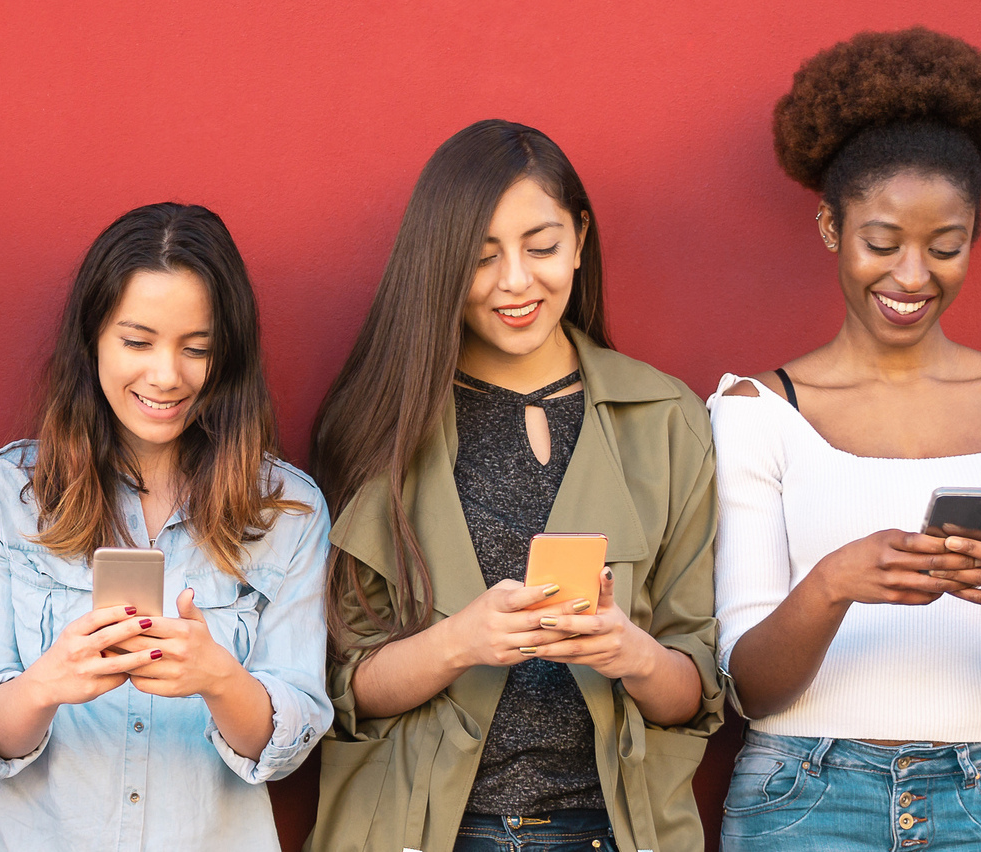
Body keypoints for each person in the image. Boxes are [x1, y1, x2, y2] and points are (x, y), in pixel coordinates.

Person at [305, 119, 721, 852]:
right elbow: (345, 687)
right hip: (419, 828)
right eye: (481, 256)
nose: (517, 281)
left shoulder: (665, 421)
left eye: (542, 246)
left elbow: (695, 690)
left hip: (608, 830)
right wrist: (460, 642)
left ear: (581, 239)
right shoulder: (377, 422)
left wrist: (631, 652)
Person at [713, 28, 981, 849]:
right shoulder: (754, 411)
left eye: (945, 246)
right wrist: (831, 585)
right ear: (830, 229)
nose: (913, 276)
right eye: (881, 243)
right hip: (804, 797)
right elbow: (751, 690)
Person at [0, 202, 331, 851]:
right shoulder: (5, 496)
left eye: (197, 349)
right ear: (93, 336)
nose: (166, 375)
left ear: (228, 356)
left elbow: (286, 746)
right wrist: (46, 684)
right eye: (137, 341)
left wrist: (219, 679)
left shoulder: (288, 510)